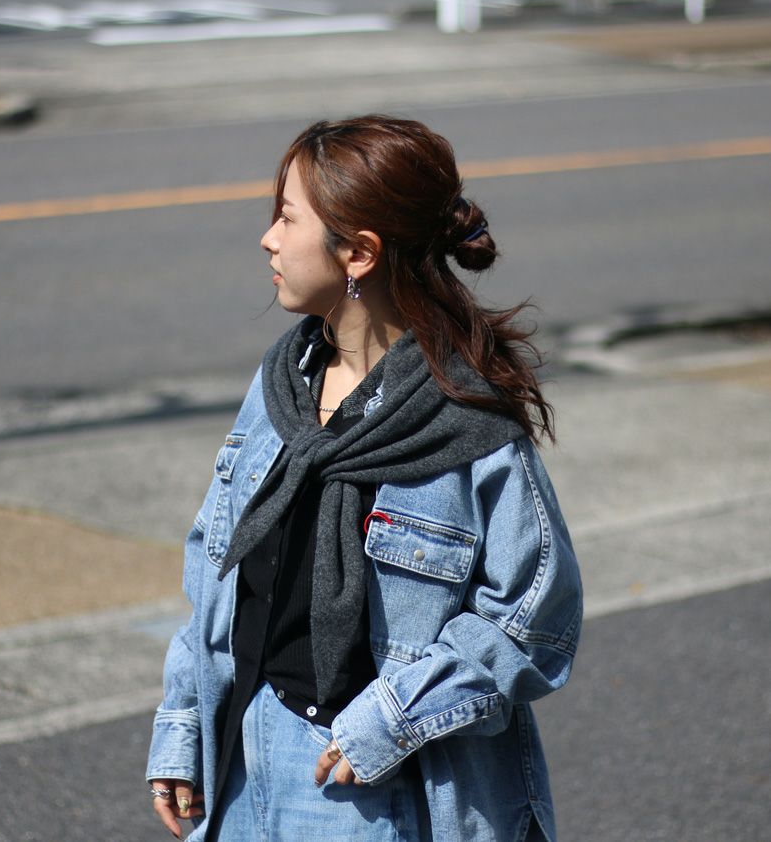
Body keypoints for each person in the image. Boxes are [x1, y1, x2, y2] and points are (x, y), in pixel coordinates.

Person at [146, 115, 582, 842]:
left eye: (288, 218)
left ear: (359, 253)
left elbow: (534, 619)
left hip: (369, 787)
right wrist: (184, 723)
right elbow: (216, 576)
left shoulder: (461, 418)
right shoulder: (282, 386)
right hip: (240, 762)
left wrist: (393, 718)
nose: (269, 239)